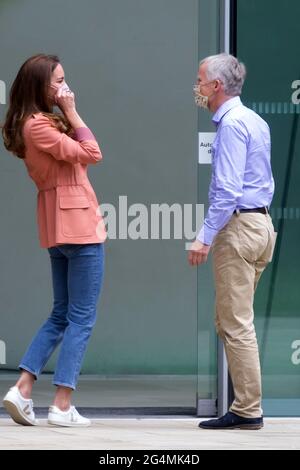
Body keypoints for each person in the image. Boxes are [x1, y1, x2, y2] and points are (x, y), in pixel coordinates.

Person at [1, 54, 106, 427]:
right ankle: (62, 404)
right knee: (81, 316)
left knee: (62, 313)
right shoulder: (39, 126)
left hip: (59, 223)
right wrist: (73, 112)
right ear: (41, 86)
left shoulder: (31, 123)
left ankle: (23, 388)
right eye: (59, 81)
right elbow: (93, 152)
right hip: (75, 223)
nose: (66, 87)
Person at [190, 53, 276, 430]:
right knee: (230, 320)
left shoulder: (231, 125)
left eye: (200, 79)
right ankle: (246, 406)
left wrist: (204, 237)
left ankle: (247, 410)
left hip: (239, 229)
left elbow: (226, 191)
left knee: (235, 323)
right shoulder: (254, 120)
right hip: (260, 227)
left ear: (217, 86)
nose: (197, 86)